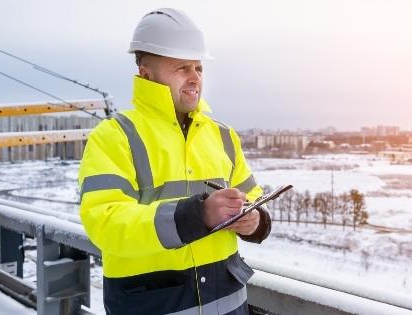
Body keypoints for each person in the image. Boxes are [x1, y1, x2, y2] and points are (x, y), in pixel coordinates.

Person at [78, 8, 271, 315]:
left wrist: (255, 220)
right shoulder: (114, 136)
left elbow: (254, 198)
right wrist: (197, 215)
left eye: (198, 67)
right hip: (152, 304)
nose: (195, 77)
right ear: (146, 72)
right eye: (182, 68)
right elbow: (105, 223)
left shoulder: (222, 136)